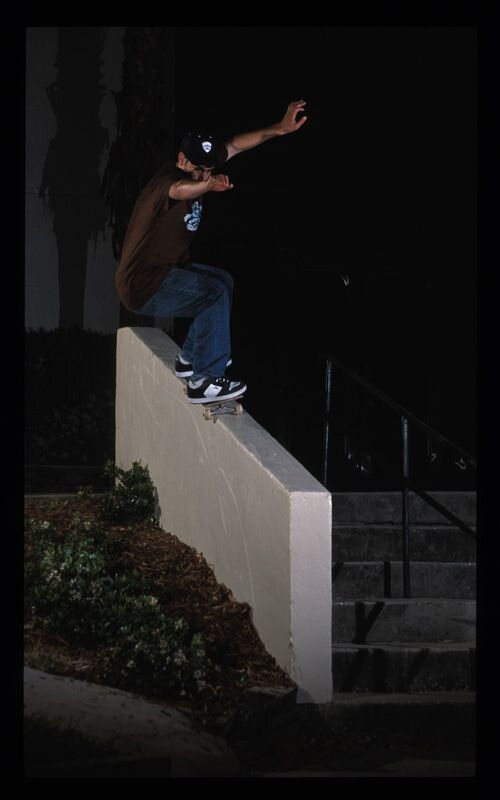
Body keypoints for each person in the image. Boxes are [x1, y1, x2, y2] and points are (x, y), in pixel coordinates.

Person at [115, 100, 307, 403]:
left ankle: (190, 359)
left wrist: (279, 129)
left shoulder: (202, 171)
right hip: (142, 285)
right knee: (213, 294)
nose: (203, 176)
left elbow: (236, 145)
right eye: (198, 170)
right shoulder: (165, 182)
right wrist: (206, 187)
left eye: (209, 171)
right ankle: (204, 380)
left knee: (223, 281)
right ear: (182, 160)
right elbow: (180, 190)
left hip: (165, 272)